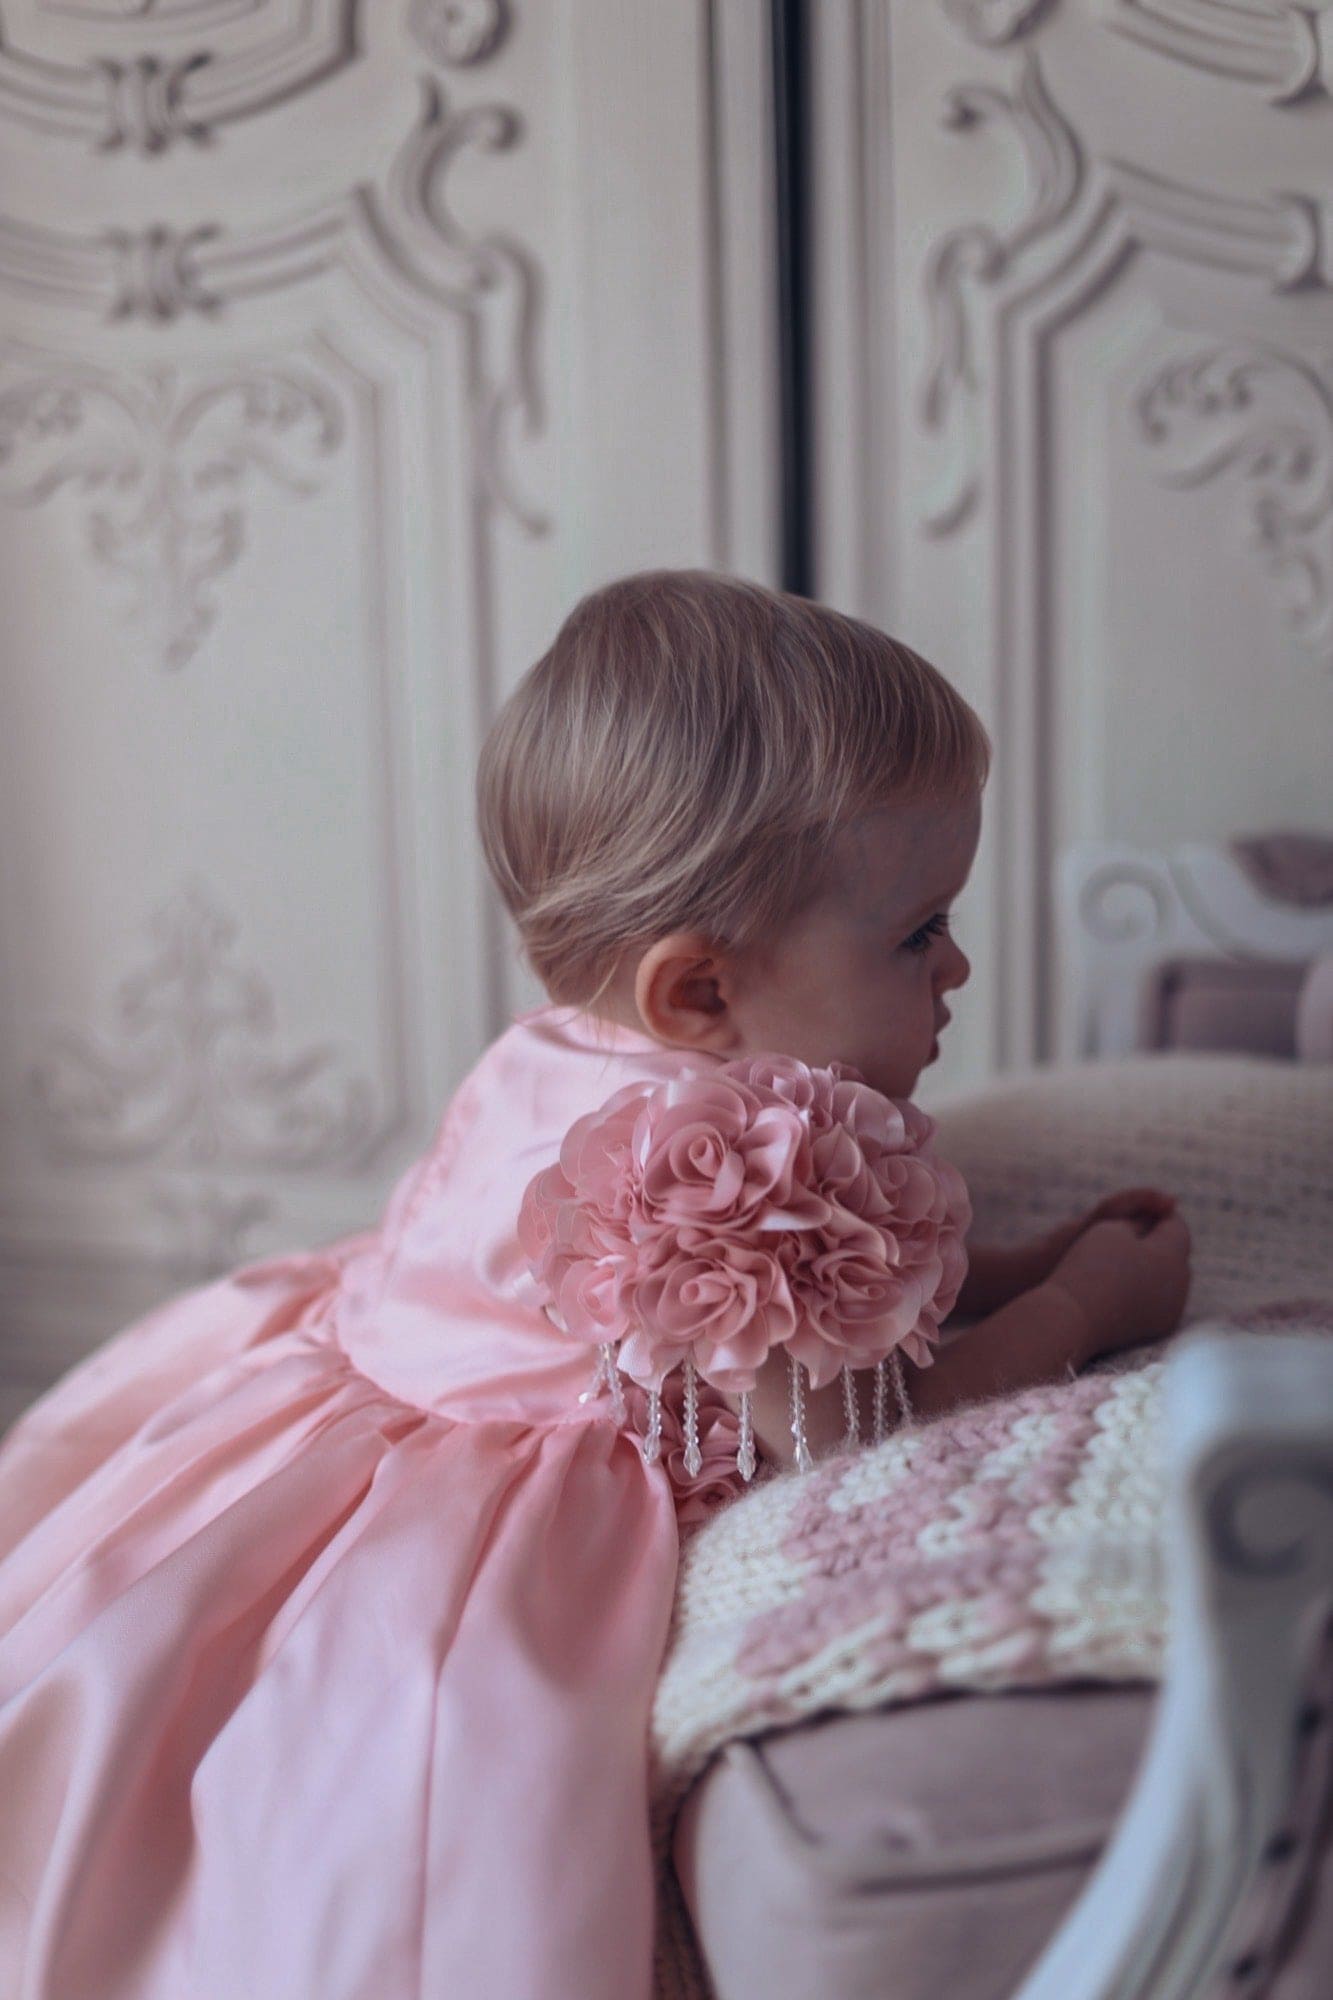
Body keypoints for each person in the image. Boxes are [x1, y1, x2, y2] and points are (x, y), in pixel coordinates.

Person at [0, 570, 1191, 1999]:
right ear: (697, 995)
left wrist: (1008, 1262)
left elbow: (837, 1300)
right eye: (913, 934)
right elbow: (841, 1426)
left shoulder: (576, 1045)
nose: (959, 965)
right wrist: (1081, 1313)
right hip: (457, 1524)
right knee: (411, 1842)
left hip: (350, 1388)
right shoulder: (736, 1156)